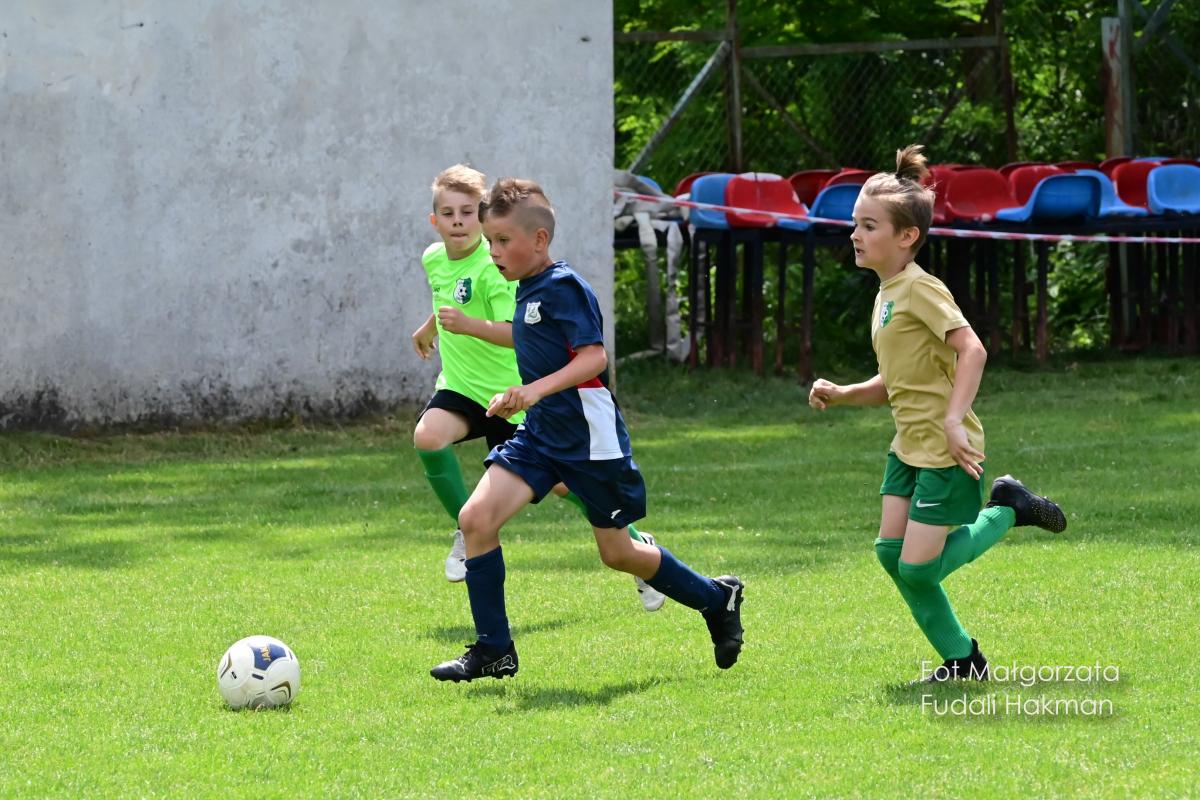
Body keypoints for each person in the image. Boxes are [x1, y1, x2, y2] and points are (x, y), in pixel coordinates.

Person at [430, 178, 744, 682]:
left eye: (503, 240)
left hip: (588, 441)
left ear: (539, 240)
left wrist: (533, 390)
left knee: (618, 553)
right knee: (476, 519)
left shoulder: (564, 286)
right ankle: (494, 650)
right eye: (490, 241)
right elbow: (532, 342)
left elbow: (593, 356)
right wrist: (514, 390)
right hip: (539, 435)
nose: (493, 251)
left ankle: (715, 597)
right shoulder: (526, 288)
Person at [808, 145, 1067, 683]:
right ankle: (964, 661)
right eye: (855, 223)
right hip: (908, 447)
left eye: (869, 226)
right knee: (891, 554)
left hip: (945, 451)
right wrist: (843, 393)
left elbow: (973, 350)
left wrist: (954, 420)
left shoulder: (921, 288)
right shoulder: (886, 294)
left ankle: (1007, 510)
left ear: (907, 236)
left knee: (917, 568)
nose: (855, 234)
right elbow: (895, 383)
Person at [412, 164, 665, 611]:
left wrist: (469, 326)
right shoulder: (434, 257)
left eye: (467, 213)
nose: (458, 222)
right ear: (434, 220)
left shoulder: (497, 268)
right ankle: (465, 531)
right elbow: (449, 294)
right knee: (428, 437)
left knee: (569, 488)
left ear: (482, 218)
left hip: (511, 395)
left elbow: (519, 332)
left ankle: (634, 544)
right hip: (463, 388)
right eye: (448, 213)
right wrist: (430, 327)